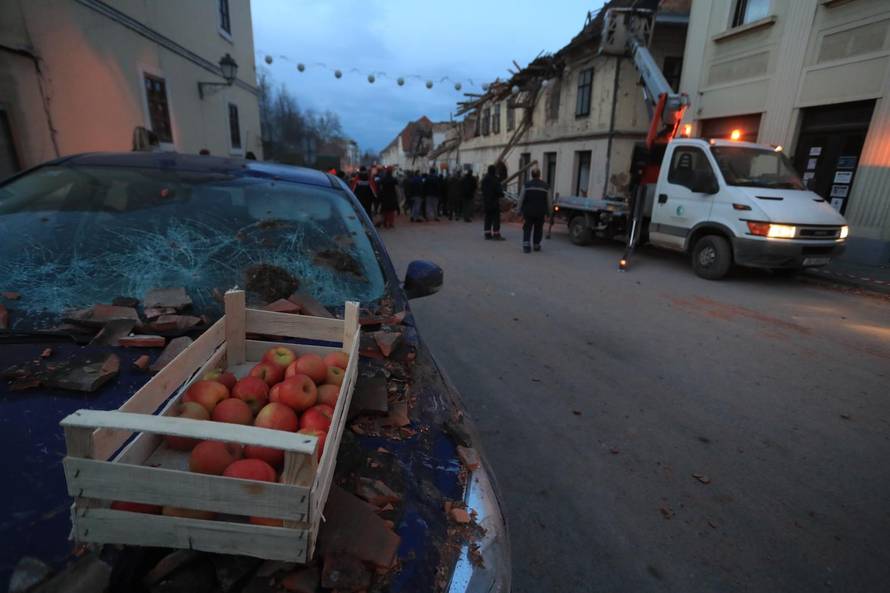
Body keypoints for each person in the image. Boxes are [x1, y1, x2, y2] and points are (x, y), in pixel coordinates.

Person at [517, 169, 552, 253]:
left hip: (528, 211)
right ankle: (536, 245)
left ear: (531, 175)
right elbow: (549, 201)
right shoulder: (546, 186)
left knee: (527, 228)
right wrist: (549, 213)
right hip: (540, 211)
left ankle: (526, 246)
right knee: (538, 228)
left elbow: (521, 199)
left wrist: (518, 210)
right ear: (539, 175)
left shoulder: (526, 185)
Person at [481, 164, 505, 240]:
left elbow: (482, 190)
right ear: (494, 171)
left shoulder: (484, 179)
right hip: (494, 201)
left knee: (488, 217)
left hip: (486, 201)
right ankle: (496, 234)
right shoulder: (495, 179)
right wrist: (501, 194)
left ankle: (487, 234)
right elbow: (499, 191)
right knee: (496, 218)